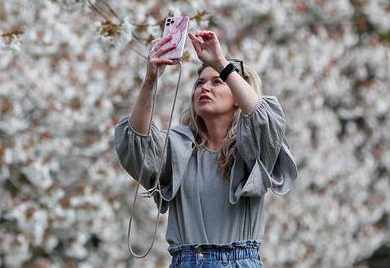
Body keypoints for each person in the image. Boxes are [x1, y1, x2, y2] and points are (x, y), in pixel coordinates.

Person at [114, 30, 298, 267]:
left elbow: (264, 120)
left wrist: (221, 63)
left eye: (217, 82)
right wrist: (151, 80)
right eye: (199, 83)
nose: (204, 88)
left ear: (237, 97)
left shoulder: (251, 149)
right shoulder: (180, 148)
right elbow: (137, 141)